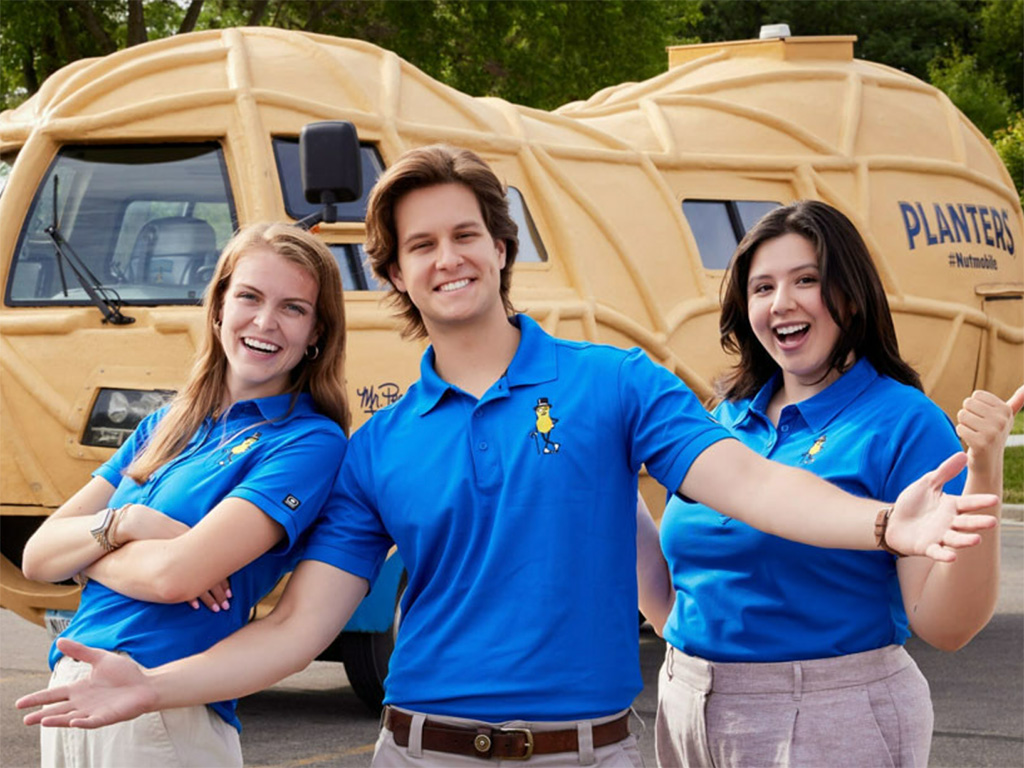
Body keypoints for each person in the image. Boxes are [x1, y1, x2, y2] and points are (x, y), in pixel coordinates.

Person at [18, 148, 998, 768]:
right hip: (420, 753)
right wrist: (154, 687)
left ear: (500, 246)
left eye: (464, 234)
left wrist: (882, 523)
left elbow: (742, 482)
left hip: (589, 754)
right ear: (393, 273)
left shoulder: (616, 383)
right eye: (419, 245)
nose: (446, 257)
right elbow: (294, 633)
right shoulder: (377, 447)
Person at [636, 200, 1023, 768]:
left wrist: (986, 468)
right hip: (690, 706)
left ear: (850, 295)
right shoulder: (722, 420)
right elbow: (677, 583)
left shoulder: (903, 422)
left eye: (806, 280)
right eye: (762, 287)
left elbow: (947, 627)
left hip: (828, 715)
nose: (781, 302)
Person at [19, 222, 350, 767]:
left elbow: (176, 577)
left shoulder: (306, 441)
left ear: (317, 332)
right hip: (75, 695)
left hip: (160, 710)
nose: (265, 322)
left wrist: (88, 553)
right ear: (218, 305)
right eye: (249, 296)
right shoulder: (163, 425)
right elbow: (37, 556)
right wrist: (125, 525)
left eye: (293, 308)